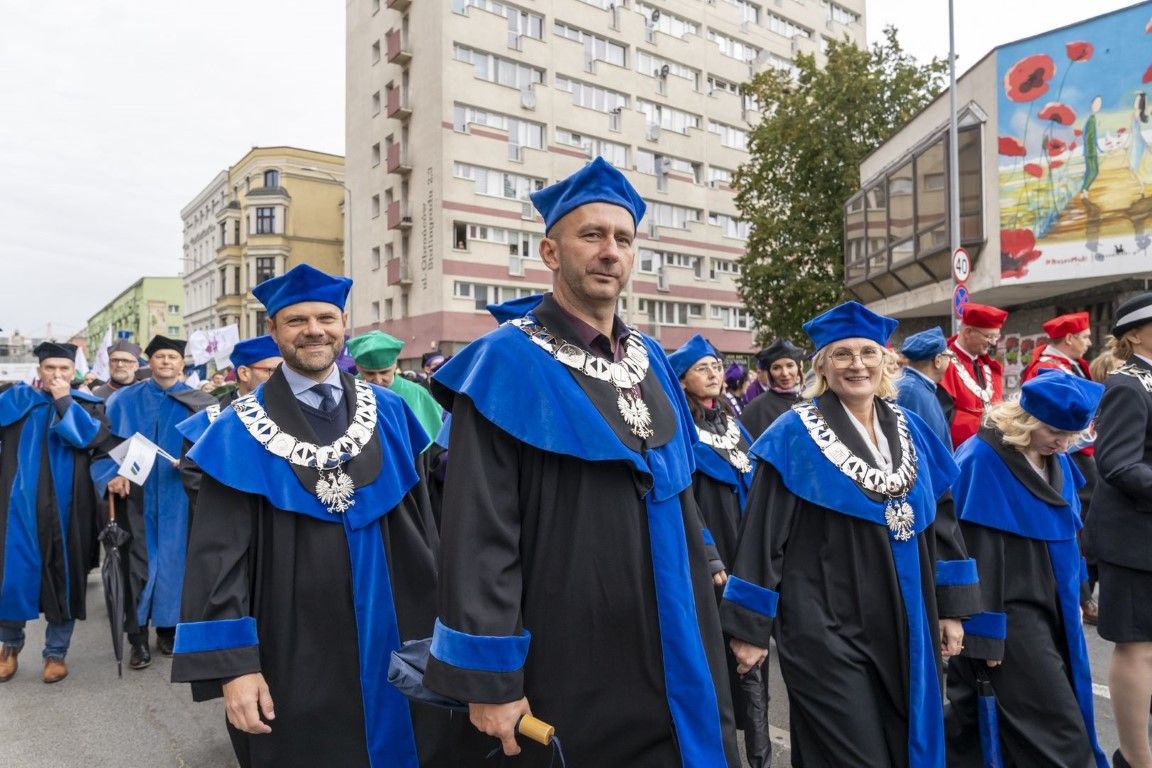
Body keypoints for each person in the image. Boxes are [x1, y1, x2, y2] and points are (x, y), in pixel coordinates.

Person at [424, 157, 740, 767]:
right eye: (591, 235)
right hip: (569, 640)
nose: (609, 252)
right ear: (550, 251)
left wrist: (706, 558)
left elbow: (678, 488)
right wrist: (491, 678)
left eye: (622, 239)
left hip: (678, 627)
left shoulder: (650, 360)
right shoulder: (504, 363)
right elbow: (479, 534)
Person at [171, 264, 449, 768]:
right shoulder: (236, 432)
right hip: (292, 647)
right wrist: (236, 668)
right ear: (273, 331)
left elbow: (428, 527)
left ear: (344, 325)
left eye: (325, 317)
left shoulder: (391, 412)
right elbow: (217, 560)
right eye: (296, 320)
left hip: (401, 631)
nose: (314, 330)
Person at [720, 301, 980, 768]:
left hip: (907, 619)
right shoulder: (793, 435)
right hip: (825, 624)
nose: (856, 364)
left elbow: (942, 520)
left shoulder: (914, 430)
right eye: (842, 355)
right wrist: (750, 630)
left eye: (867, 353)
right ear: (821, 365)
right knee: (850, 754)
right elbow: (762, 535)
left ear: (885, 361)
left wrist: (953, 610)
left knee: (905, 741)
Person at [945, 371, 1108, 767]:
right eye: (1055, 431)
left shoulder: (1057, 459)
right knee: (1058, 731)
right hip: (1010, 617)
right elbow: (968, 551)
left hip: (1056, 608)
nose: (1065, 443)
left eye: (1073, 434)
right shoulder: (980, 460)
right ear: (1028, 419)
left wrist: (1082, 590)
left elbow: (1068, 533)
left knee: (1027, 723)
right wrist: (984, 635)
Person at [670, 334, 770, 768]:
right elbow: (683, 496)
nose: (713, 374)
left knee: (755, 648)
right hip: (714, 554)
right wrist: (708, 553)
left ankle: (760, 753)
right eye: (702, 369)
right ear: (684, 382)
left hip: (747, 545)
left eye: (716, 366)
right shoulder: (678, 429)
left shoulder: (733, 422)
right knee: (726, 655)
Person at [92, 335, 217, 669]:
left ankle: (167, 630)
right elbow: (103, 449)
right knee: (135, 567)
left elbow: (214, 450)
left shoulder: (201, 403)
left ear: (182, 363)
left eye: (172, 357)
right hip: (136, 496)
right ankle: (136, 639)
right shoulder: (123, 401)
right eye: (159, 356)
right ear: (150, 362)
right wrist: (112, 476)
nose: (165, 362)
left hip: (180, 497)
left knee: (177, 567)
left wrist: (191, 463)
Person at [0, 343, 108, 684]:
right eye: (50, 369)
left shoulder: (88, 406)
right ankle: (9, 647)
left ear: (73, 371)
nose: (57, 375)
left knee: (65, 578)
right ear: (39, 370)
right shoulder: (15, 403)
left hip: (69, 511)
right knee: (11, 578)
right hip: (18, 509)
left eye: (64, 369)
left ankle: (55, 653)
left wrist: (64, 401)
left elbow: (87, 439)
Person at [1086, 293, 1152, 768]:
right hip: (1135, 539)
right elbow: (1118, 463)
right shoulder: (1129, 383)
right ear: (1133, 334)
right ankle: (1134, 758)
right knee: (1138, 649)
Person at [1021, 311, 1100, 622]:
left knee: (1079, 522)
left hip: (1077, 451)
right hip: (1069, 454)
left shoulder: (1070, 366)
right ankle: (1080, 594)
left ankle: (1082, 590)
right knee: (1071, 522)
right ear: (1069, 339)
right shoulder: (1049, 370)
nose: (1089, 342)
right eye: (1085, 336)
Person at [346, 330, 443, 443]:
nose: (378, 380)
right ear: (358, 368)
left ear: (395, 365)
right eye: (369, 373)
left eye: (384, 372)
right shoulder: (345, 391)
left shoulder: (418, 395)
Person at [940, 303, 1009, 449]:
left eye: (997, 337)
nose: (993, 343)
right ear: (968, 332)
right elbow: (944, 417)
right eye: (989, 336)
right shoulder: (943, 365)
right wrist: (991, 428)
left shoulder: (988, 366)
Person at [895, 327, 953, 450]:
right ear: (937, 360)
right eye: (948, 356)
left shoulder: (918, 387)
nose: (949, 361)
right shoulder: (909, 392)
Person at [740, 338, 805, 440]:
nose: (784, 373)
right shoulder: (756, 409)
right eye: (776, 368)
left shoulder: (811, 400)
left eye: (790, 365)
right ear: (769, 372)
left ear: (798, 368)